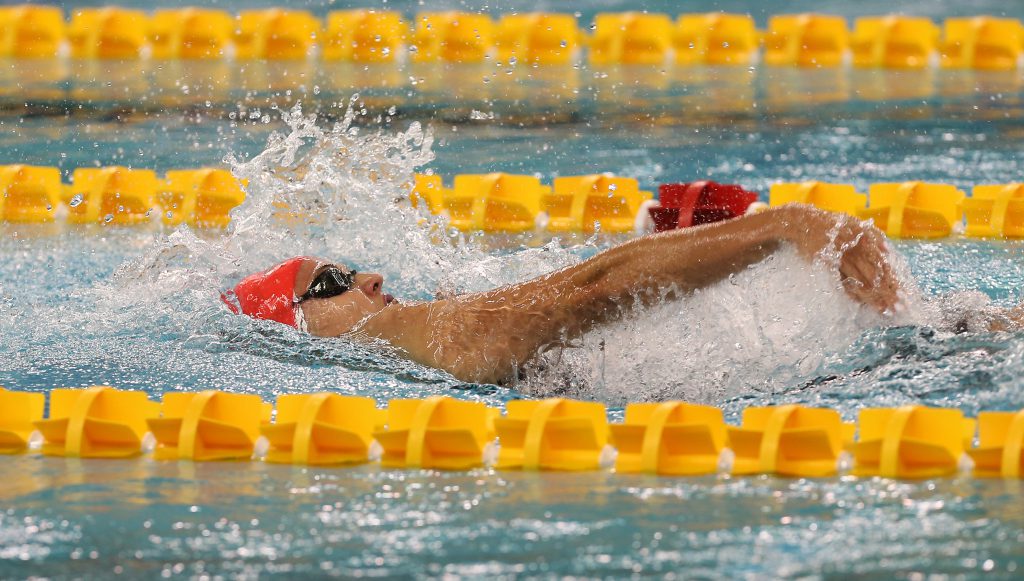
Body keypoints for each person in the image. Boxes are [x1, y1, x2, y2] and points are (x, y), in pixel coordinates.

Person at [223, 204, 1023, 384]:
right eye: (331, 282)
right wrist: (789, 226)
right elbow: (591, 288)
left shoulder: (401, 349)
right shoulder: (390, 339)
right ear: (301, 331)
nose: (371, 277)